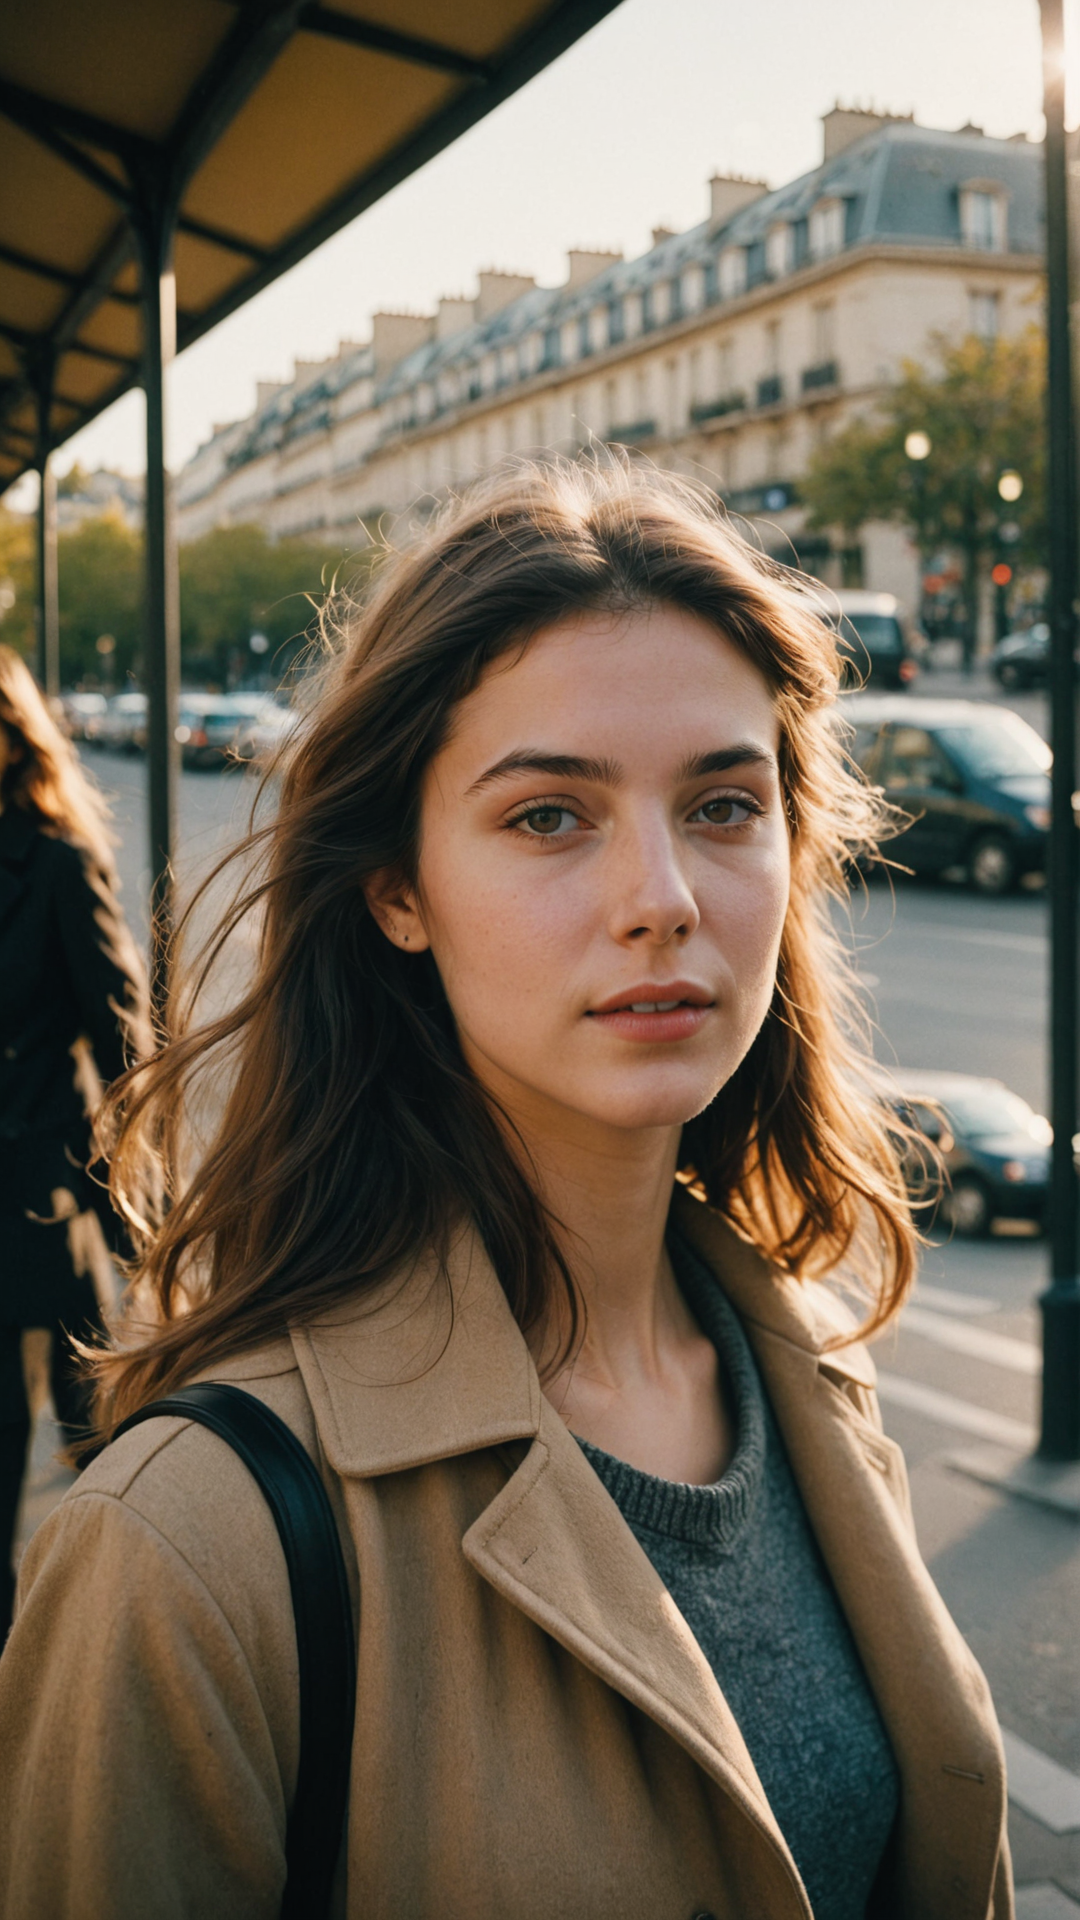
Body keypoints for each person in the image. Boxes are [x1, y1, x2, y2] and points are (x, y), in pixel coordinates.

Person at [0, 464, 1012, 1919]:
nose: (663, 892)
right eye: (550, 817)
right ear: (396, 892)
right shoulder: (189, 1543)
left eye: (726, 803)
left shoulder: (808, 1373)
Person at [0, 645, 147, 1637]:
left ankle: (114, 1637)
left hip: (39, 1188)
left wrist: (130, 1193)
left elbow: (126, 1040)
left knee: (89, 1431)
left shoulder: (54, 860)